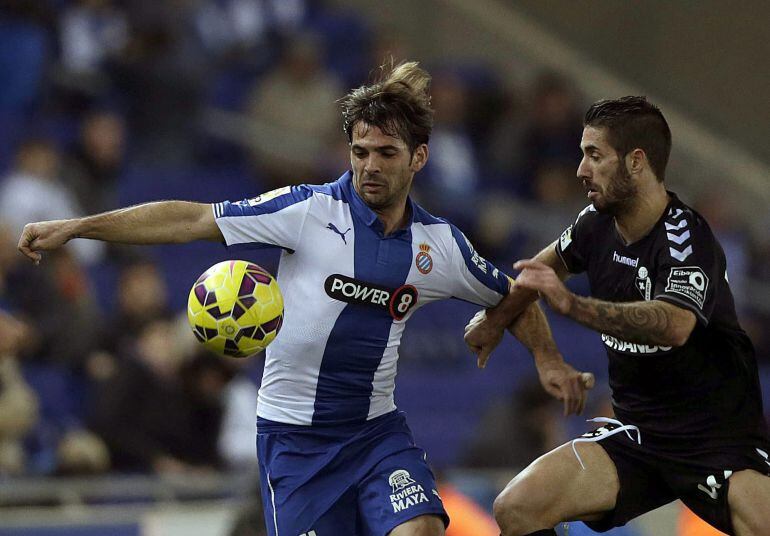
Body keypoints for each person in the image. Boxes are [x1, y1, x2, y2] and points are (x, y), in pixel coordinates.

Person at [17, 61, 593, 535]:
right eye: (359, 151)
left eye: (385, 153)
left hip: (375, 433)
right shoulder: (308, 211)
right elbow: (190, 219)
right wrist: (78, 225)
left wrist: (545, 357)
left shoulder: (438, 247)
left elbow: (515, 294)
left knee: (420, 530)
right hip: (295, 444)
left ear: (418, 158)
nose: (368, 165)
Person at [464, 96, 770, 536]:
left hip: (718, 445)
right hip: (637, 438)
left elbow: (675, 324)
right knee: (517, 507)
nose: (580, 170)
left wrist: (572, 305)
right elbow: (533, 277)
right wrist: (515, 336)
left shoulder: (688, 238)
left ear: (636, 162)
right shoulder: (594, 225)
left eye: (594, 155)